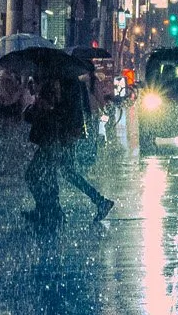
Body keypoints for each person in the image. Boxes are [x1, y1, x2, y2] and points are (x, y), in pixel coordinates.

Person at [56, 70, 116, 221]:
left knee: (60, 171)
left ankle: (53, 209)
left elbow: (69, 110)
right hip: (64, 134)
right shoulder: (72, 82)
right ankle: (52, 208)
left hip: (63, 135)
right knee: (62, 171)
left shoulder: (69, 83)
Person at [23, 78, 67, 228]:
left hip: (48, 145)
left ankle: (46, 209)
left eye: (33, 82)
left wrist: (36, 107)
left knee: (33, 175)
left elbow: (33, 118)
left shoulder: (46, 100)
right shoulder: (46, 98)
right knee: (47, 177)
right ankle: (49, 209)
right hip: (49, 144)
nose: (31, 85)